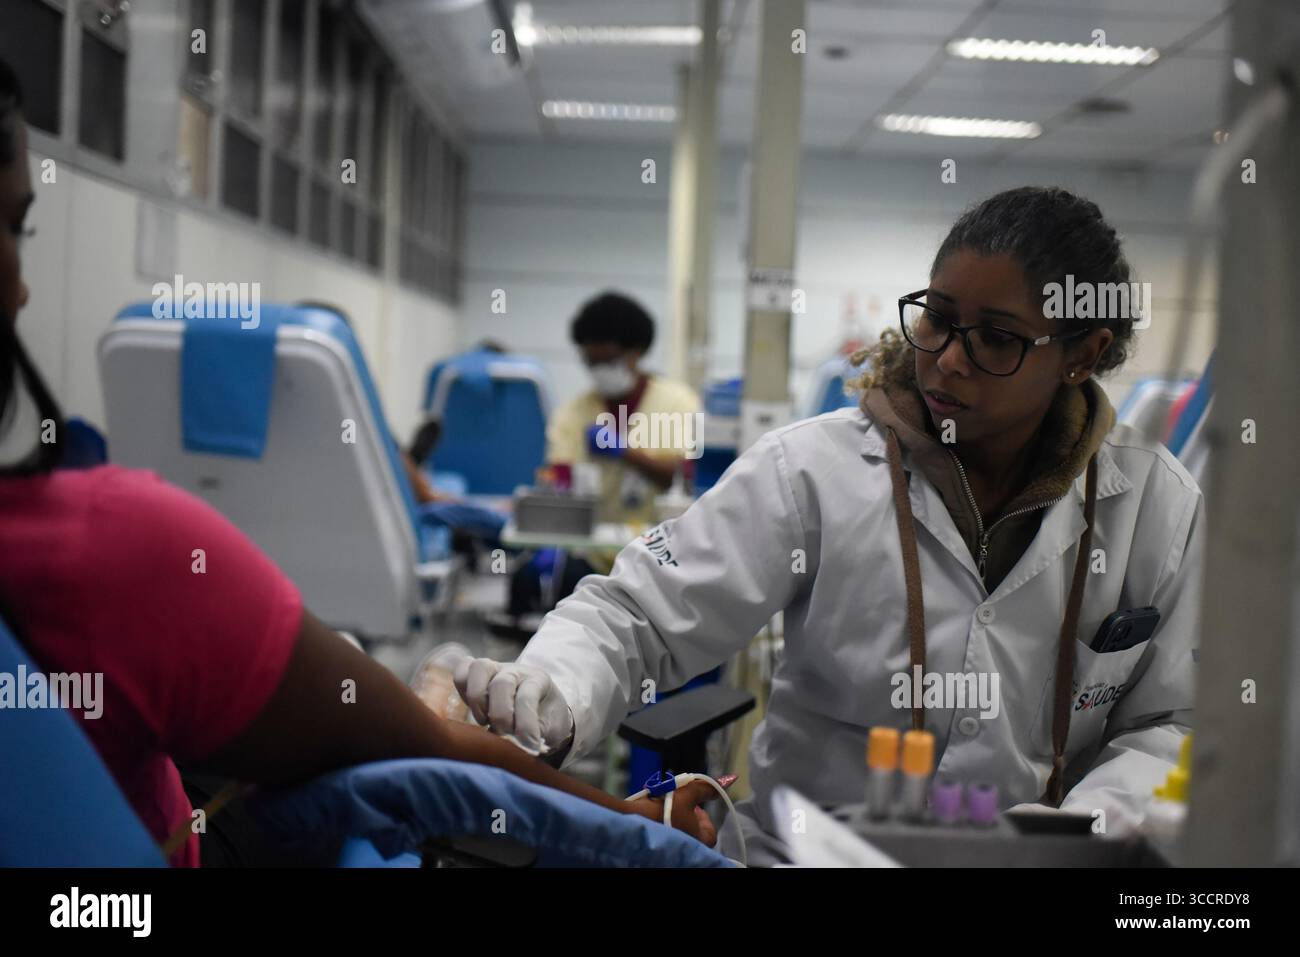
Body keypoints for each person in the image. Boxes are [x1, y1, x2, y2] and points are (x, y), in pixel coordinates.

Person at [0, 59, 717, 865]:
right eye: (17, 228)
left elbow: (674, 481)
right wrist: (641, 826)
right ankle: (437, 684)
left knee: (443, 678)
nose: (24, 293)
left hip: (611, 554)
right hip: (246, 798)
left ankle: (437, 684)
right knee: (436, 694)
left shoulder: (673, 400)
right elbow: (439, 763)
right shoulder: (117, 548)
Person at [456, 187, 1204, 863]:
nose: (949, 360)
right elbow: (641, 615)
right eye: (939, 318)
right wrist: (551, 690)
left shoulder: (1154, 505)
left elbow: (1174, 718)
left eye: (997, 338)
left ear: (1082, 354)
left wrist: (1086, 832)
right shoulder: (813, 471)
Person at [506, 293, 701, 621]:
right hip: (590, 555)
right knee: (541, 589)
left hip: (659, 556)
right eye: (591, 362)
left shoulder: (678, 404)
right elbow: (557, 480)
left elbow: (688, 476)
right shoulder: (575, 413)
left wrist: (628, 453)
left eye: (608, 361)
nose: (599, 371)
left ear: (637, 352)